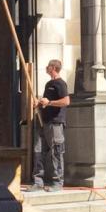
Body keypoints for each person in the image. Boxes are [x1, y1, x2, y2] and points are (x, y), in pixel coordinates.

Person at [32, 59, 70, 191]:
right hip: (44, 122)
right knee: (38, 151)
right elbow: (46, 102)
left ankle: (58, 183)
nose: (46, 67)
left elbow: (66, 101)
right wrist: (40, 104)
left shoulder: (60, 84)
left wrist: (49, 102)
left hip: (55, 123)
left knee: (56, 152)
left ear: (53, 68)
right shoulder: (49, 83)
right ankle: (38, 182)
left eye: (48, 66)